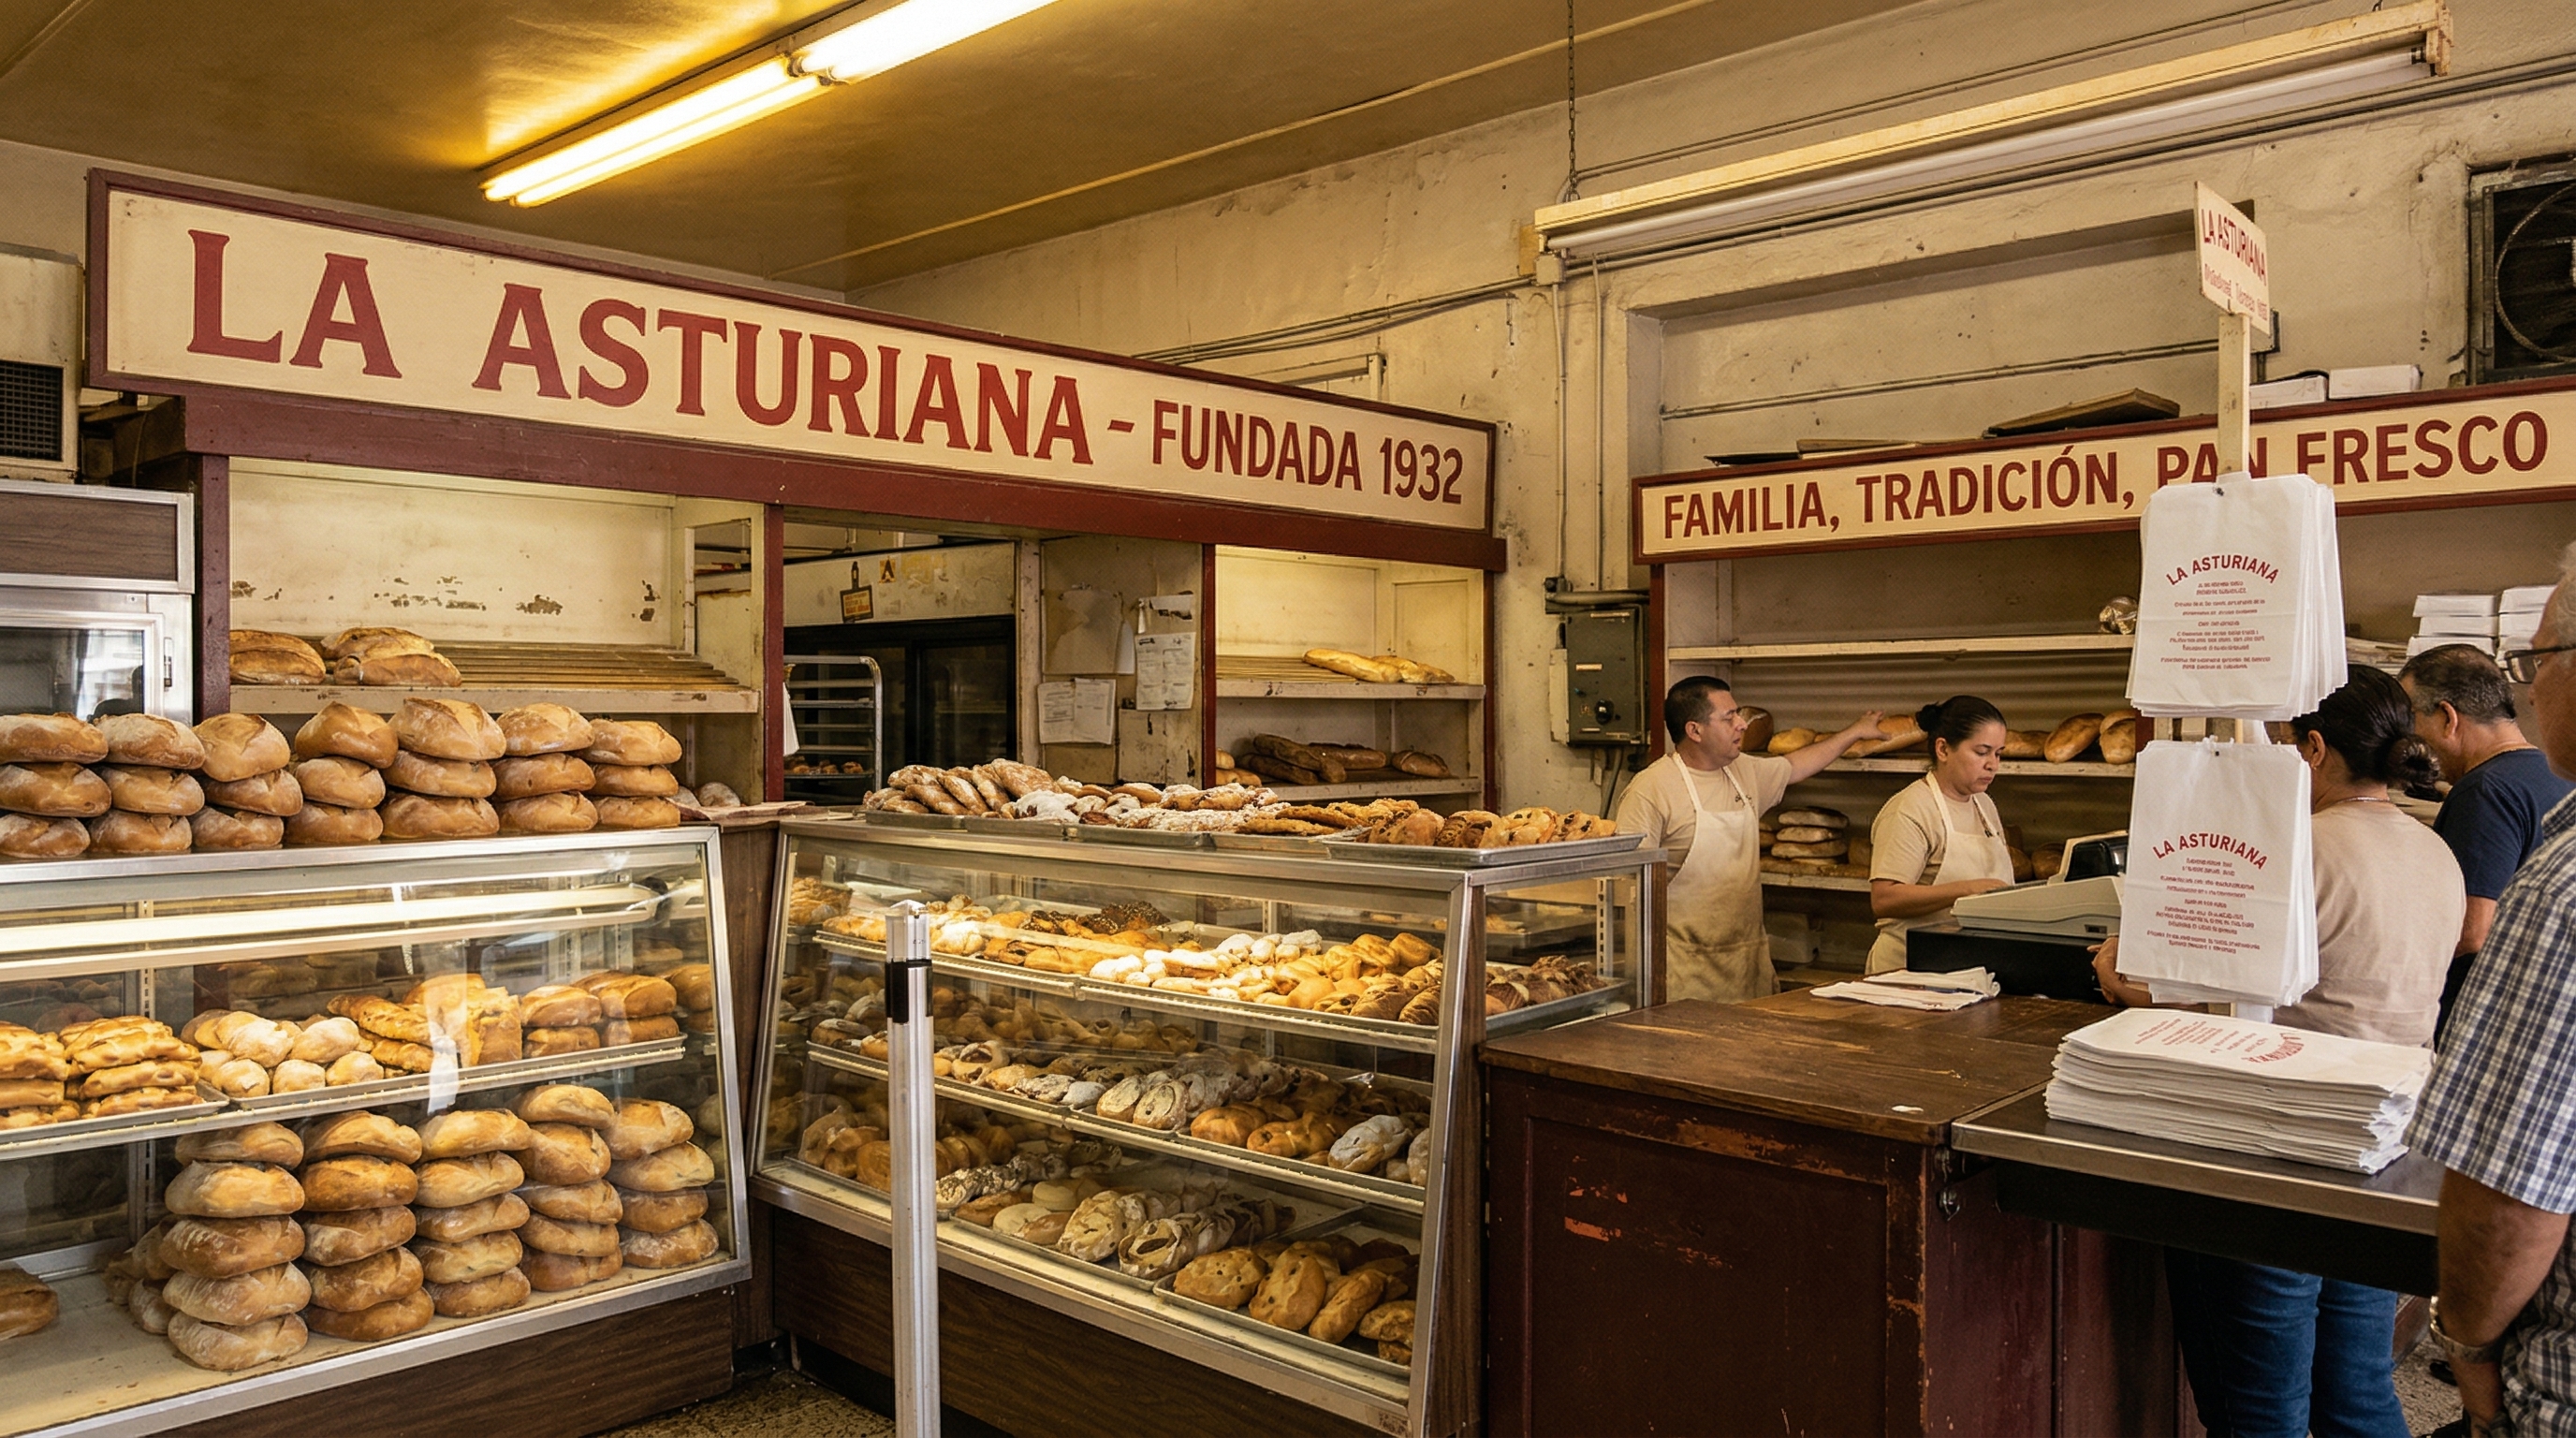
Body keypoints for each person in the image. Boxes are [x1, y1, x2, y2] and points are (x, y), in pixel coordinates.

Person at [2097, 665, 2464, 1437]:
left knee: (2259, 1405)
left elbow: (2204, 999)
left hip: (2279, 1150)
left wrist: (2120, 972)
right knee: (2357, 1389)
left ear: (2314, 748)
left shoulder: (2295, 853)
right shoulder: (2436, 852)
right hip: (2378, 1149)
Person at [2410, 568, 2576, 1438]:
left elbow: (2513, 1191)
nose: (2533, 683)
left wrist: (2465, 1348)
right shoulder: (2550, 793)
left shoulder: (2553, 881)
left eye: (2538, 658)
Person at [1615, 677, 1881, 1003]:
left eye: (1738, 714)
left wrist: (1854, 732)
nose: (1742, 724)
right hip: (1684, 971)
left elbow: (1797, 765)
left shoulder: (1743, 772)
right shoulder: (1652, 789)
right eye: (1729, 718)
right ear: (1694, 731)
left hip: (1746, 963)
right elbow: (1630, 885)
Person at [2400, 642, 2574, 1036]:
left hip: (2479, 1020)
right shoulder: (2554, 775)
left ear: (2447, 717)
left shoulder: (2483, 792)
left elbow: (2470, 930)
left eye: (2412, 719)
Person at [1865, 696, 2016, 973]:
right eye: (1982, 752)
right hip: (1909, 971)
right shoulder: (1910, 809)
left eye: (1998, 753)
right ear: (1943, 749)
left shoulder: (1984, 803)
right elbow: (1884, 899)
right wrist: (1968, 890)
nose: (1993, 764)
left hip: (1968, 967)